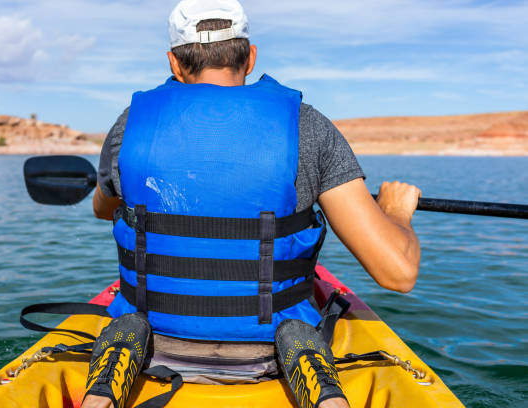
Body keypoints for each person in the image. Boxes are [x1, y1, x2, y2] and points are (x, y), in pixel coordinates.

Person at [83, 0, 421, 407]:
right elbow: (398, 273)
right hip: (267, 348)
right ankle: (312, 370)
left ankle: (110, 376)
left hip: (156, 341)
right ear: (250, 55)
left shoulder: (129, 123)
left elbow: (103, 208)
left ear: (174, 63)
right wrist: (395, 211)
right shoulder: (305, 124)